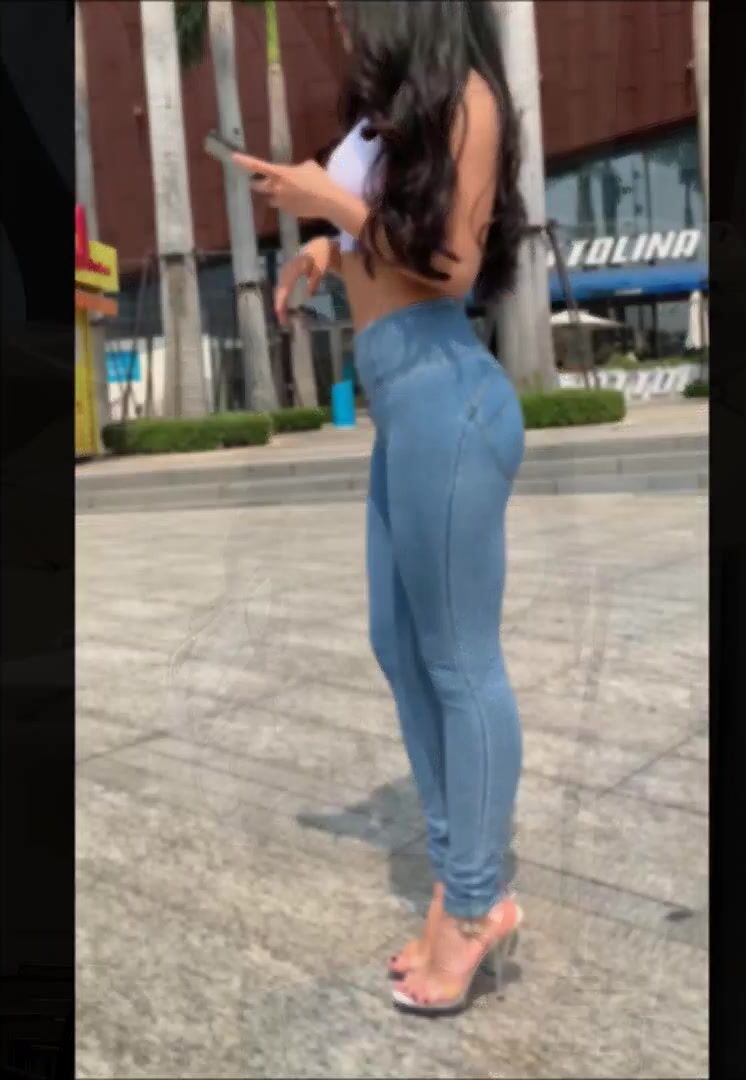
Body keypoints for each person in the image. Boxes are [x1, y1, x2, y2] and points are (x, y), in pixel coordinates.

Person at [233, 0, 526, 1016]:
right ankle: (459, 881)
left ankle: (476, 903)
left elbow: (451, 265)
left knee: (460, 662)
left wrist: (332, 205)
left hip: (449, 396)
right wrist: (326, 249)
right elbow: (385, 243)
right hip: (403, 403)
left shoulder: (470, 98)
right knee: (399, 647)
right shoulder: (399, 109)